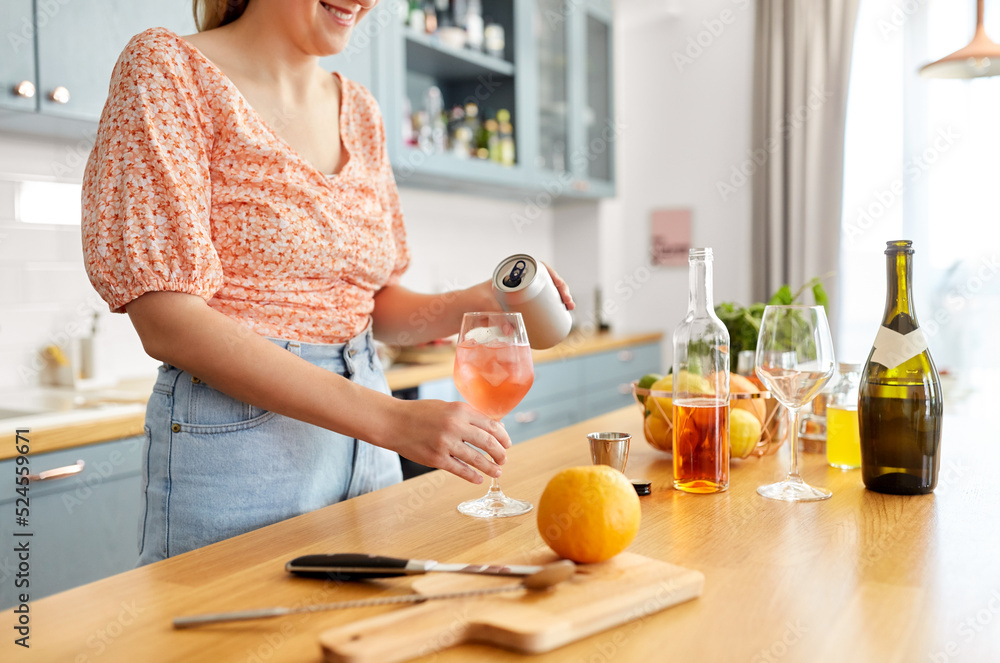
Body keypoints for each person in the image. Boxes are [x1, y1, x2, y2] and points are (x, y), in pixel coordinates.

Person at [81, 0, 574, 564]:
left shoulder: (360, 110)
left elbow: (371, 306)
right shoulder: (167, 69)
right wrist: (393, 421)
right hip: (240, 451)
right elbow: (167, 320)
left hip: (370, 435)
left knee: (367, 641)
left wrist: (485, 299)